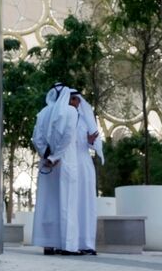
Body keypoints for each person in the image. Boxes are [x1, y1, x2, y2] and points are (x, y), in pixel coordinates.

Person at [32, 84, 80, 255]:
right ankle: (67, 246)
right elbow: (67, 136)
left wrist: (47, 156)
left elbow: (36, 138)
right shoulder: (71, 112)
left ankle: (49, 244)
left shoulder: (43, 112)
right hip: (65, 162)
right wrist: (56, 157)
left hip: (47, 164)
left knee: (49, 203)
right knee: (67, 202)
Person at [69, 90, 103, 255]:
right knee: (72, 203)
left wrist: (90, 141)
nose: (74, 102)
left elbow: (93, 142)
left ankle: (87, 243)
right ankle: (71, 243)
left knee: (86, 203)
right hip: (69, 161)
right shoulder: (65, 119)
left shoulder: (84, 120)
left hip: (84, 163)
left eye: (76, 99)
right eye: (72, 99)